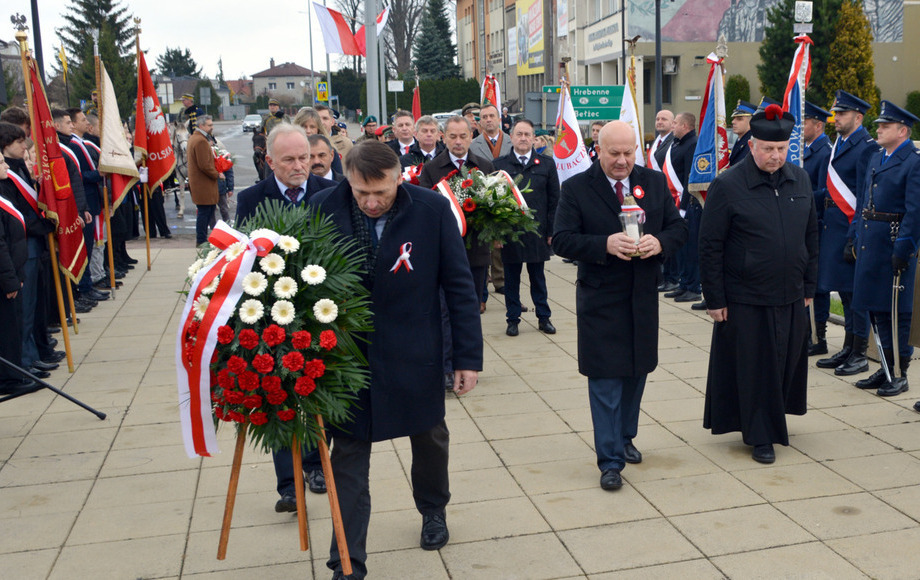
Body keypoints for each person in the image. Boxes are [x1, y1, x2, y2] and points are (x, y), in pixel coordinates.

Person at [309, 140, 483, 579]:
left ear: (399, 177)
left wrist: (466, 358)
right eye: (360, 192)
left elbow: (460, 288)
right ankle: (347, 561)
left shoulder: (430, 210)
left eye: (381, 193)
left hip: (415, 352)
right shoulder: (320, 208)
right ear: (346, 178)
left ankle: (433, 509)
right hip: (347, 358)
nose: (370, 202)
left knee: (429, 439)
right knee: (348, 455)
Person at [552, 121, 688, 490]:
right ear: (598, 148)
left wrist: (659, 243)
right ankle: (609, 460)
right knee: (605, 379)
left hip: (641, 298)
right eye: (615, 153)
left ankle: (626, 437)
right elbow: (561, 240)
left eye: (629, 153)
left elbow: (678, 229)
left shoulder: (654, 182)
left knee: (636, 372)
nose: (623, 161)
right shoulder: (578, 188)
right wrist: (604, 245)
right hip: (601, 300)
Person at [699, 104, 819, 464]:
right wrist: (714, 298)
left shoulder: (800, 179)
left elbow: (811, 237)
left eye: (781, 149)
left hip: (792, 293)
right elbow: (710, 246)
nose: (775, 156)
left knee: (785, 362)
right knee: (755, 366)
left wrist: (810, 287)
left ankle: (774, 417)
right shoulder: (727, 184)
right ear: (752, 145)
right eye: (768, 148)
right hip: (746, 296)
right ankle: (760, 435)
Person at [235, 123, 337, 508]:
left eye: (305, 158)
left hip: (322, 311)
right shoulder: (251, 199)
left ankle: (315, 465)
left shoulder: (331, 192)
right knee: (278, 394)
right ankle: (288, 483)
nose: (299, 166)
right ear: (269, 161)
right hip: (272, 313)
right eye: (290, 159)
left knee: (316, 392)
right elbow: (242, 257)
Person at [850, 101, 920, 397]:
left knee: (897, 312)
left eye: (885, 126)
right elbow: (864, 200)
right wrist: (855, 237)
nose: (878, 129)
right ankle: (885, 366)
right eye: (878, 125)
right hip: (871, 242)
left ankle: (900, 372)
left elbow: (915, 211)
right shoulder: (877, 157)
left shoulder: (913, 162)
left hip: (893, 243)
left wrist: (903, 247)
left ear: (902, 131)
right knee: (876, 308)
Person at [814, 91, 876, 377]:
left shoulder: (865, 147)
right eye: (835, 113)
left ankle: (860, 352)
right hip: (833, 225)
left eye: (842, 114)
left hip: (850, 228)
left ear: (858, 117)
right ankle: (849, 346)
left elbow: (863, 194)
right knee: (844, 291)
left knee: (855, 293)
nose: (835, 118)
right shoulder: (840, 143)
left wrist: (855, 235)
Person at [418, 116, 495, 312]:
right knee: (446, 308)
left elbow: (494, 205)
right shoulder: (431, 169)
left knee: (473, 306)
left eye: (463, 136)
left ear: (471, 136)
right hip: (444, 250)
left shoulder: (485, 167)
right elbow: (426, 209)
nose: (458, 141)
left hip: (477, 249)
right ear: (443, 138)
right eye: (453, 136)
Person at [494, 119, 559, 336]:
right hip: (510, 233)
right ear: (511, 137)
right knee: (511, 279)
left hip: (537, 232)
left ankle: (544, 317)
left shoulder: (547, 164)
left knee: (538, 277)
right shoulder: (499, 165)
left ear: (534, 138)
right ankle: (512, 319)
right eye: (519, 134)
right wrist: (497, 233)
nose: (523, 138)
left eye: (527, 134)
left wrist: (551, 231)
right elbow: (493, 202)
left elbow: (554, 201)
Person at [0, 154, 36, 396]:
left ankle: (14, 373)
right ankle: (8, 378)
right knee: (7, 329)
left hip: (14, 273)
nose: (6, 166)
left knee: (13, 326)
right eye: (1, 163)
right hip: (6, 280)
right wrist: (10, 279)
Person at [662, 112, 703, 308]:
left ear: (685, 125)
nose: (673, 126)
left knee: (691, 249)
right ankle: (684, 283)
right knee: (683, 248)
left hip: (687, 204)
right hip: (677, 204)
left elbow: (689, 178)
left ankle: (693, 288)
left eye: (675, 123)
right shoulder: (678, 143)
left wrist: (684, 206)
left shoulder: (692, 143)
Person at [802, 101, 833, 356]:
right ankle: (807, 330)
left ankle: (818, 335)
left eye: (805, 122)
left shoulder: (824, 151)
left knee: (818, 284)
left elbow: (825, 192)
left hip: (816, 223)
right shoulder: (806, 148)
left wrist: (798, 198)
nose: (800, 127)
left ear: (818, 125)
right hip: (801, 221)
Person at [186, 115, 220, 245]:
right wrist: (217, 174)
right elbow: (204, 165)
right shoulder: (200, 141)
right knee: (204, 213)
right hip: (203, 184)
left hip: (200, 183)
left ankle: (203, 239)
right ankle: (201, 240)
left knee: (206, 212)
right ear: (201, 126)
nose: (212, 127)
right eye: (209, 125)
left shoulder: (194, 138)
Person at [729, 100, 755, 166]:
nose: (733, 122)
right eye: (734, 118)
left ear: (751, 122)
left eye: (739, 119)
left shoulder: (752, 143)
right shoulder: (741, 140)